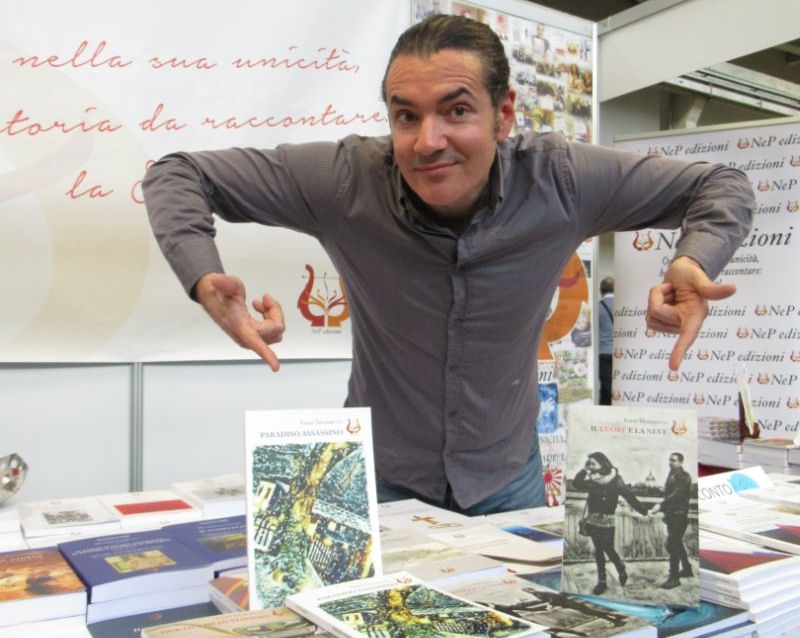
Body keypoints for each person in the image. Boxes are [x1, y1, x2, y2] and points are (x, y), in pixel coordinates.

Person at [141, 14, 755, 516]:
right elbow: (178, 173)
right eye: (406, 115)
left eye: (456, 111)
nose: (427, 140)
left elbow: (722, 184)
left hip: (507, 481)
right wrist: (203, 277)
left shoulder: (561, 180)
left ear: (504, 114)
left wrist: (692, 258)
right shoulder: (346, 180)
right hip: (379, 481)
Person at [572, 451, 650, 595]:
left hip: (607, 521)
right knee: (598, 551)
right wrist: (584, 470)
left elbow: (629, 497)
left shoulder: (615, 480)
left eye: (593, 463)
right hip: (593, 520)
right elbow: (577, 484)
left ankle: (620, 568)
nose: (591, 466)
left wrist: (645, 511)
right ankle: (602, 581)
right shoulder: (592, 479)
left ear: (602, 463)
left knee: (609, 549)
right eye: (589, 463)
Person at [651, 452, 694, 589]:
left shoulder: (684, 476)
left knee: (672, 544)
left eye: (674, 460)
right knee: (676, 542)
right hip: (673, 515)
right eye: (670, 460)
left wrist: (661, 505)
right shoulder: (673, 474)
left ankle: (674, 578)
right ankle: (687, 569)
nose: (671, 463)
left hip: (679, 515)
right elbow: (670, 495)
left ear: (681, 462)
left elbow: (677, 494)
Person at [598, 276, 614, 405]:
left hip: (604, 352)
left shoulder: (598, 307)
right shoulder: (623, 305)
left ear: (601, 290)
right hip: (622, 354)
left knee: (606, 386)